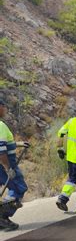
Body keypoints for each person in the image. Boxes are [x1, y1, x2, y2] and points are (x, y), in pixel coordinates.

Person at [0, 99, 29, 231]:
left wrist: (18, 144)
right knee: (18, 188)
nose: (5, 109)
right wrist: (8, 168)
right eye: (4, 106)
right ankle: (2, 217)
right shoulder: (0, 125)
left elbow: (5, 143)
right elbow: (1, 151)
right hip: (4, 163)